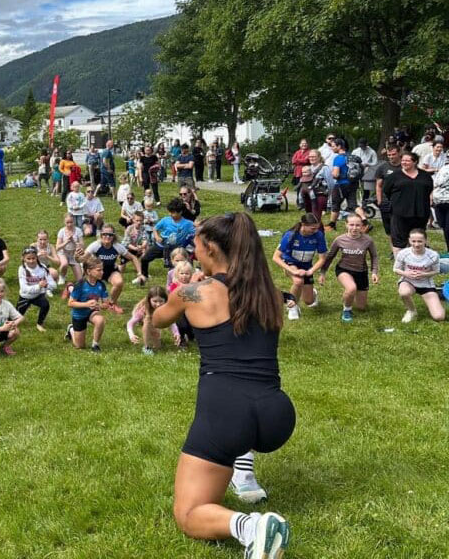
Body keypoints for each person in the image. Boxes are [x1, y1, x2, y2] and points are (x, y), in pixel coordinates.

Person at [150, 212, 293, 559]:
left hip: (227, 410)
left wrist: (195, 285)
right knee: (236, 430)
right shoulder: (270, 294)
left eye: (196, 246)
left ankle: (252, 528)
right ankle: (242, 469)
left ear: (211, 248)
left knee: (188, 514)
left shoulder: (193, 293)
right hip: (276, 412)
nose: (193, 252)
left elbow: (157, 318)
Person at [318, 214, 379, 322]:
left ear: (362, 226)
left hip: (361, 272)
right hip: (344, 269)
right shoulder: (339, 240)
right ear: (346, 225)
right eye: (351, 225)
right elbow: (330, 256)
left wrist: (374, 272)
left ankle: (350, 297)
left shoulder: (368, 240)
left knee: (361, 307)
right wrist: (322, 273)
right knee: (351, 288)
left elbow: (374, 256)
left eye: (357, 225)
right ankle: (346, 310)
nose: (354, 228)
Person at [272, 214, 328, 320]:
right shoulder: (290, 235)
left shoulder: (319, 235)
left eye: (317, 228)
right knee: (298, 281)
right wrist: (291, 270)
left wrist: (310, 271)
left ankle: (313, 293)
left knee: (309, 301)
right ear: (303, 225)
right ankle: (292, 307)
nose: (315, 231)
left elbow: (322, 259)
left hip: (307, 266)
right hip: (290, 263)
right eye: (312, 228)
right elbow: (276, 257)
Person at [383, 151, 434, 255]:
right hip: (400, 212)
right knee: (398, 238)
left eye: (407, 160)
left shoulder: (425, 176)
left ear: (415, 162)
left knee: (417, 236)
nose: (404, 162)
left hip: (420, 212)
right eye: (402, 160)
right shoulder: (394, 176)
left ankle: (416, 259)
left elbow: (429, 190)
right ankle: (399, 261)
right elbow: (387, 190)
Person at [86, 226, 142, 313]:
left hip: (110, 270)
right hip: (96, 271)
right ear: (101, 235)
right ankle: (69, 288)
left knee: (119, 282)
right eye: (105, 234)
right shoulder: (95, 245)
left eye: (110, 235)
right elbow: (82, 258)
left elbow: (133, 258)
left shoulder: (117, 246)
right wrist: (78, 256)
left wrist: (139, 273)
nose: (107, 237)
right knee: (85, 294)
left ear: (113, 236)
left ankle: (111, 304)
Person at [393, 229, 444, 323]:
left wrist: (424, 274)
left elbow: (436, 271)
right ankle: (411, 311)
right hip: (408, 281)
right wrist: (406, 273)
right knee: (404, 292)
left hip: (426, 285)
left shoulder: (433, 255)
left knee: (439, 317)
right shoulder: (403, 253)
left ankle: (434, 301)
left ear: (425, 241)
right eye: (414, 241)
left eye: (420, 241)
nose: (416, 244)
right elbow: (396, 269)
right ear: (409, 240)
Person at [140, 198, 197, 281]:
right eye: (170, 212)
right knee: (144, 259)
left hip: (176, 250)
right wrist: (157, 237)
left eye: (173, 212)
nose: (170, 214)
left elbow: (197, 229)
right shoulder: (165, 220)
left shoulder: (187, 224)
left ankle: (179, 281)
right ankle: (144, 276)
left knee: (175, 268)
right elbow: (155, 228)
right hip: (162, 246)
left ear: (180, 212)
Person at [65, 258, 108, 351]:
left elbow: (106, 304)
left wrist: (99, 306)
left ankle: (95, 345)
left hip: (92, 312)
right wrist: (86, 304)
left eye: (102, 269)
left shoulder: (101, 285)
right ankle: (71, 329)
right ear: (88, 271)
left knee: (100, 320)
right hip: (79, 314)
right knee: (80, 346)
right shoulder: (80, 284)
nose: (102, 272)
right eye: (99, 270)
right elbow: (70, 303)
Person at [127, 286, 180, 354]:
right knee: (147, 321)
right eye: (155, 301)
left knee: (157, 347)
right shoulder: (144, 309)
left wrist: (176, 333)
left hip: (158, 325)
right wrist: (131, 335)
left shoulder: (166, 308)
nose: (158, 304)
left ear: (165, 300)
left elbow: (171, 322)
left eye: (161, 301)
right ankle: (147, 347)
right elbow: (130, 323)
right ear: (149, 300)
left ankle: (155, 340)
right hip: (148, 325)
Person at [16, 246, 56, 331]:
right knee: (15, 320)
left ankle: (40, 324)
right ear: (23, 259)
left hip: (37, 295)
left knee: (45, 305)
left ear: (37, 257)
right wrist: (38, 286)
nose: (31, 261)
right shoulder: (22, 269)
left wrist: (46, 285)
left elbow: (53, 284)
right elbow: (24, 288)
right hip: (25, 296)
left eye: (33, 258)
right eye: (28, 258)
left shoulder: (43, 267)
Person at [56, 214, 84, 283]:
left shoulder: (78, 231)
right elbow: (57, 248)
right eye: (67, 223)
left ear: (74, 221)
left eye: (71, 222)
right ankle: (62, 276)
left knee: (80, 280)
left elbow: (83, 246)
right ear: (64, 222)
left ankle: (81, 266)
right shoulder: (61, 231)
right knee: (64, 264)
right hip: (63, 253)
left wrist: (74, 241)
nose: (69, 224)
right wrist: (66, 242)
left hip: (74, 254)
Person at [432, 162, 449, 252]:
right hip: (439, 202)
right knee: (442, 225)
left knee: (448, 228)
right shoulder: (443, 168)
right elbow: (435, 183)